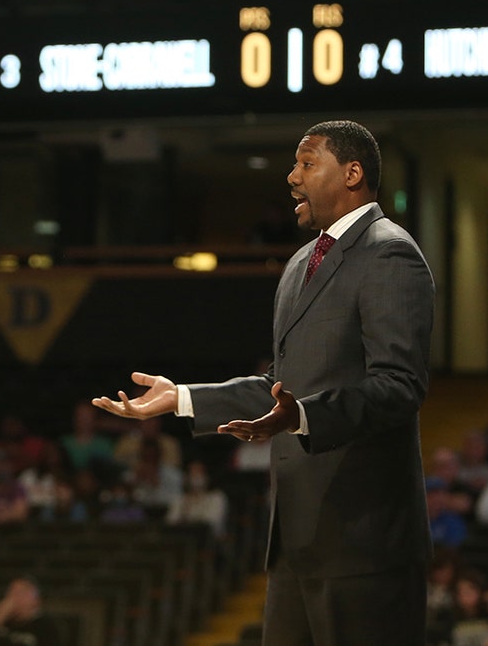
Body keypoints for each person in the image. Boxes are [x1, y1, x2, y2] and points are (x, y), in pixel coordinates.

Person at [93, 120, 434, 645]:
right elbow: (280, 386)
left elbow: (399, 386)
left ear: (353, 172)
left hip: (363, 544)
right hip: (296, 541)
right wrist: (181, 398)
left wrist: (302, 416)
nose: (291, 177)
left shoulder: (389, 252)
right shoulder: (300, 263)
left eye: (306, 163)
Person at [166, 460, 229, 538]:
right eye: (192, 474)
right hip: (182, 540)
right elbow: (171, 521)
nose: (196, 477)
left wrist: (188, 520)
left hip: (210, 542)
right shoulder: (179, 499)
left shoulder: (217, 497)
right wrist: (186, 507)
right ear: (186, 478)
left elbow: (211, 522)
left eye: (199, 473)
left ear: (207, 477)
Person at [0, 577, 61, 646]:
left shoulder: (46, 626)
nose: (14, 598)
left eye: (21, 592)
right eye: (11, 593)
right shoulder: (4, 623)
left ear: (36, 599)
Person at [427, 476, 467, 549]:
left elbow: (454, 547)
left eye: (441, 494)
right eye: (431, 495)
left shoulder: (453, 521)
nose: (437, 499)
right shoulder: (414, 521)